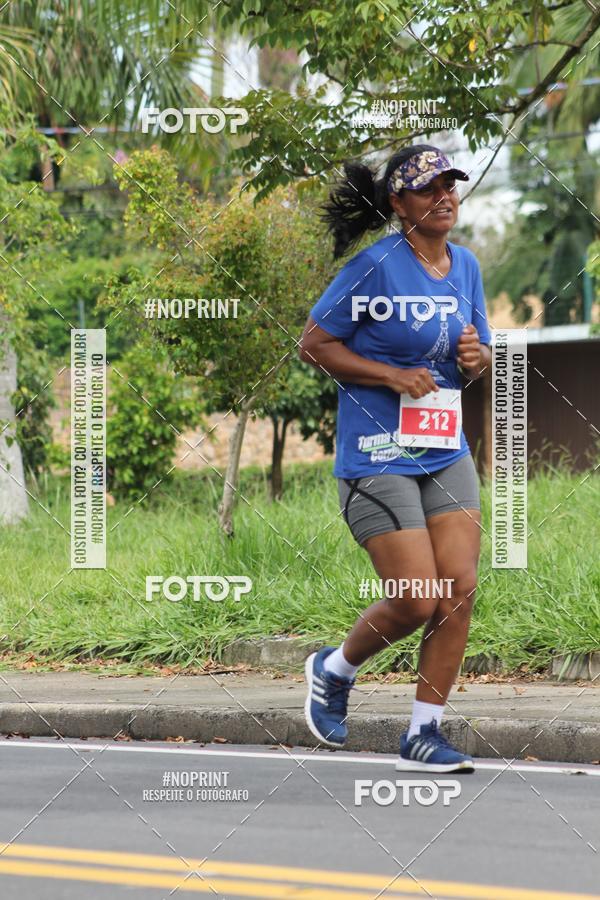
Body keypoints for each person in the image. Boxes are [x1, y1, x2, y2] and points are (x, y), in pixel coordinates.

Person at [299, 144, 492, 773]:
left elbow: (479, 354)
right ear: (397, 203)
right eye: (428, 187)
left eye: (450, 185)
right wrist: (388, 375)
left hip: (444, 448)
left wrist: (475, 359)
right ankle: (334, 669)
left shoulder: (465, 267)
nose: (445, 196)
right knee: (416, 597)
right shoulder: (373, 267)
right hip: (378, 453)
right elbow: (315, 344)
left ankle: (423, 731)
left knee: (457, 589)